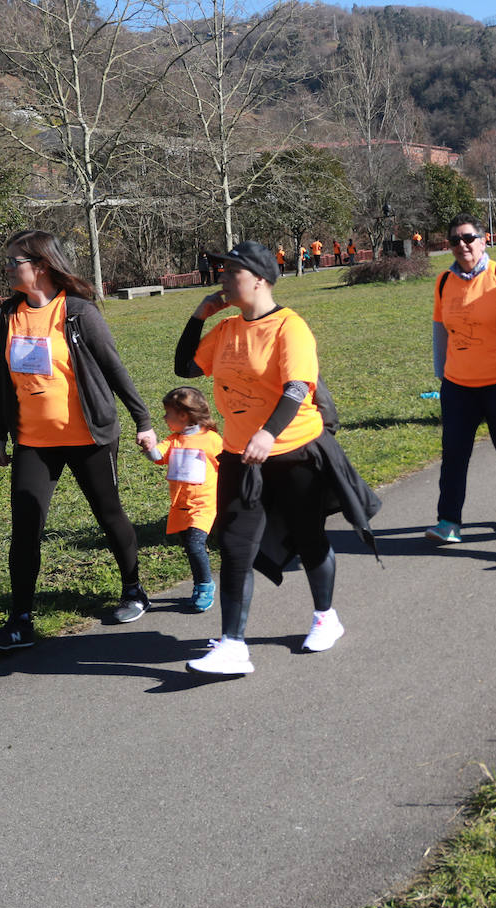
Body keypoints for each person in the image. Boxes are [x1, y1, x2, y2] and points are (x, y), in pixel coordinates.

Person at [174, 241, 345, 675]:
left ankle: (326, 616)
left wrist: (269, 433)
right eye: (223, 270)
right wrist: (200, 314)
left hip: (294, 452)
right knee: (235, 548)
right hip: (238, 456)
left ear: (259, 279)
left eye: (232, 271)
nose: (224, 278)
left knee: (309, 538)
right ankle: (232, 645)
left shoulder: (290, 327)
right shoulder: (228, 329)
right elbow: (185, 368)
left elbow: (297, 387)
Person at [0, 229, 158, 650]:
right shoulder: (9, 313)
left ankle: (134, 589)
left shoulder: (78, 312)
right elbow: (0, 377)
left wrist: (143, 419)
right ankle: (21, 619)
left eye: (14, 262)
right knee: (26, 528)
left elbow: (113, 367)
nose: (7, 269)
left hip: (90, 436)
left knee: (108, 513)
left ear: (40, 267)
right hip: (32, 440)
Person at [425, 214, 496, 544]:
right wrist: (441, 373)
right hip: (459, 385)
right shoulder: (445, 281)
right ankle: (448, 522)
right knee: (454, 454)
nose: (462, 245)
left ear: (484, 240)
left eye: (469, 237)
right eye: (455, 240)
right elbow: (439, 329)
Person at [143, 387, 222, 611]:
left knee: (195, 543)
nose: (164, 418)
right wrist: (148, 445)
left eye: (168, 413)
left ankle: (205, 585)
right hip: (181, 506)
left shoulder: (211, 440)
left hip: (204, 505)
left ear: (183, 415)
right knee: (189, 544)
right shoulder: (174, 440)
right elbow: (158, 455)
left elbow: (226, 465)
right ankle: (200, 583)